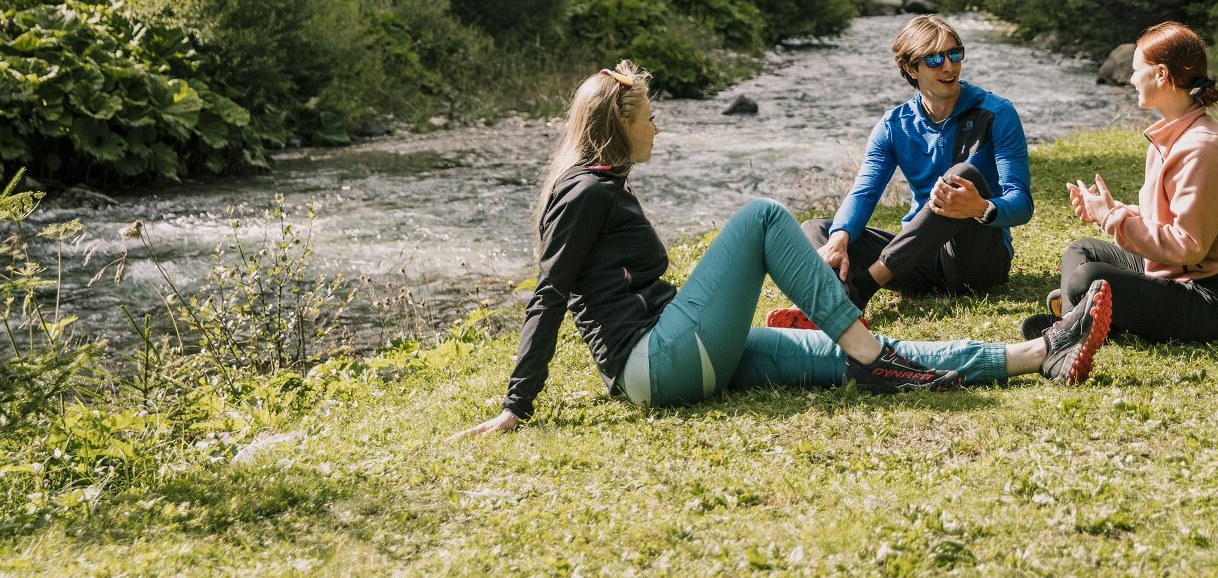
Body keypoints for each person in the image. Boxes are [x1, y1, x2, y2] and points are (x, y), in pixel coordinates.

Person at [455, 61, 1111, 438]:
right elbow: (549, 293)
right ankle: (866, 347)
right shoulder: (585, 192)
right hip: (654, 363)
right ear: (617, 126)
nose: (658, 124)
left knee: (840, 361)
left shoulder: (601, 187)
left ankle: (1039, 353)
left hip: (683, 354)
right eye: (647, 115)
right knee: (766, 218)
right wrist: (517, 404)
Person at [772, 15, 1030, 328]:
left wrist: (981, 207)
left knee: (962, 175)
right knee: (818, 230)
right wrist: (840, 239)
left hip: (975, 263)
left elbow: (1021, 204)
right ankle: (835, 301)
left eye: (955, 54)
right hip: (914, 261)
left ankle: (862, 289)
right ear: (910, 69)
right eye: (934, 59)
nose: (948, 66)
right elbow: (865, 192)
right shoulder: (894, 125)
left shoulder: (997, 113)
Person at [1025, 22, 1218, 344]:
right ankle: (1077, 322)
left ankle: (1073, 327)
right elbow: (1169, 221)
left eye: (1136, 69)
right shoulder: (1174, 134)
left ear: (1161, 75)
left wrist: (1111, 218)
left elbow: (1189, 245)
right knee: (1082, 251)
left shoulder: (1201, 147)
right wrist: (1112, 210)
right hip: (1179, 274)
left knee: (1088, 277)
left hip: (1214, 303)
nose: (1130, 78)